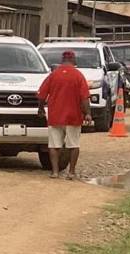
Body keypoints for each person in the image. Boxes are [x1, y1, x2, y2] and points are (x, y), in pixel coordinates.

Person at [36, 49, 92, 179]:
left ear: (62, 60)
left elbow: (42, 95)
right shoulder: (78, 75)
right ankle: (71, 172)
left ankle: (55, 172)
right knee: (74, 145)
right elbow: (84, 98)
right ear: (73, 60)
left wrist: (40, 109)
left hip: (55, 115)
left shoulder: (53, 75)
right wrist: (88, 113)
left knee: (54, 145)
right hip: (73, 116)